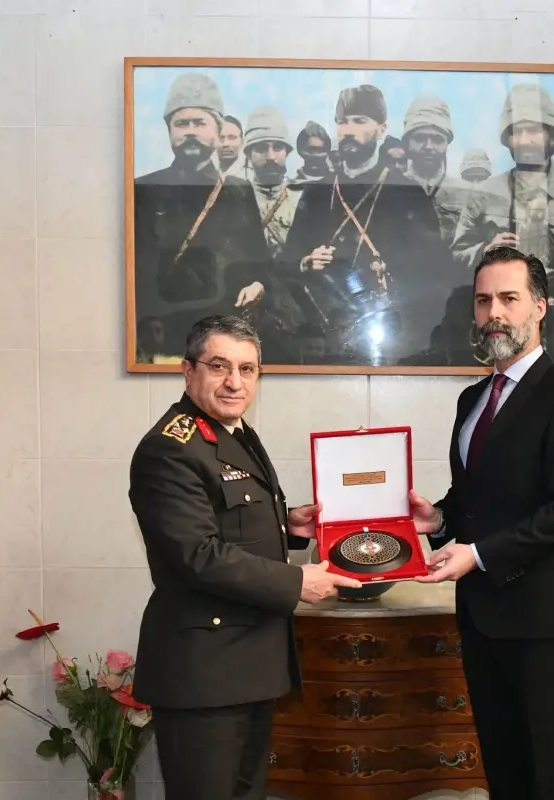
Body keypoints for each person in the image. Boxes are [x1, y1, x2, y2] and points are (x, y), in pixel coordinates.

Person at [128, 314, 362, 799]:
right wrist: (296, 583)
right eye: (219, 366)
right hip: (204, 675)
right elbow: (197, 554)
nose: (234, 382)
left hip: (248, 667)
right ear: (188, 370)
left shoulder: (231, 433)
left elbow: (229, 522)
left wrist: (289, 527)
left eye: (247, 369)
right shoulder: (169, 449)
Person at [409, 245, 554, 800]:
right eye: (483, 301)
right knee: (502, 768)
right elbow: (475, 499)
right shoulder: (473, 398)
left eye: (508, 298)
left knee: (546, 773)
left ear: (540, 307)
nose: (493, 312)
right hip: (480, 615)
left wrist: (478, 555)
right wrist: (438, 518)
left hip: (541, 617)